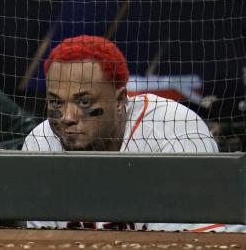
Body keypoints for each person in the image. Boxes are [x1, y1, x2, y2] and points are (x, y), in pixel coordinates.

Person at [22, 35, 242, 232]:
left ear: (120, 100)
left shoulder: (174, 131)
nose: (67, 116)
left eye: (84, 101)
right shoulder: (41, 143)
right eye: (55, 102)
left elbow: (191, 244)